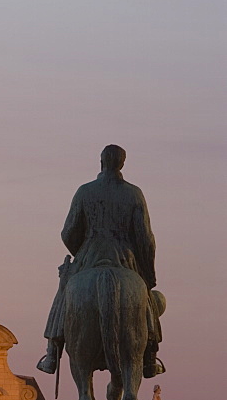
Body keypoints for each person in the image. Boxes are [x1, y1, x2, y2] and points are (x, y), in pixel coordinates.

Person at [36, 145, 165, 379]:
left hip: (89, 256)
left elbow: (68, 232)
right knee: (145, 301)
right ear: (122, 164)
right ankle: (149, 356)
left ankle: (52, 353)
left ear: (101, 162)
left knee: (64, 295)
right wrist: (148, 272)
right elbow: (146, 239)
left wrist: (82, 252)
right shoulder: (134, 193)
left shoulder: (85, 191)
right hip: (125, 260)